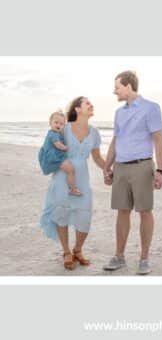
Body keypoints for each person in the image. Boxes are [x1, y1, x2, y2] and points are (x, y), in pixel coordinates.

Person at [103, 71, 162, 275]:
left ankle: (144, 259)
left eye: (117, 87)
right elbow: (115, 141)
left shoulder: (151, 108)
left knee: (145, 211)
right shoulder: (119, 113)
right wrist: (107, 167)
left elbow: (158, 140)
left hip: (142, 166)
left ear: (129, 86)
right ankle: (119, 256)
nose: (115, 91)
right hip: (120, 167)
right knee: (122, 211)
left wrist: (160, 170)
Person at [40, 97, 106, 270]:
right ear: (77, 109)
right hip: (63, 176)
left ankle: (78, 249)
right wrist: (59, 163)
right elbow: (49, 147)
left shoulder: (94, 132)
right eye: (87, 103)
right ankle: (66, 251)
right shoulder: (64, 128)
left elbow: (97, 158)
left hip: (82, 178)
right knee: (62, 212)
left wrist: (109, 170)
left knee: (85, 215)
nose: (92, 105)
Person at [39, 110, 82, 196]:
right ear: (50, 123)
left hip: (56, 155)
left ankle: (71, 188)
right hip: (55, 157)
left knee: (70, 170)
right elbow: (58, 145)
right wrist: (66, 148)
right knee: (71, 170)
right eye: (56, 122)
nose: (58, 125)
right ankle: (72, 189)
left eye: (61, 124)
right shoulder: (53, 134)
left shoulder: (55, 132)